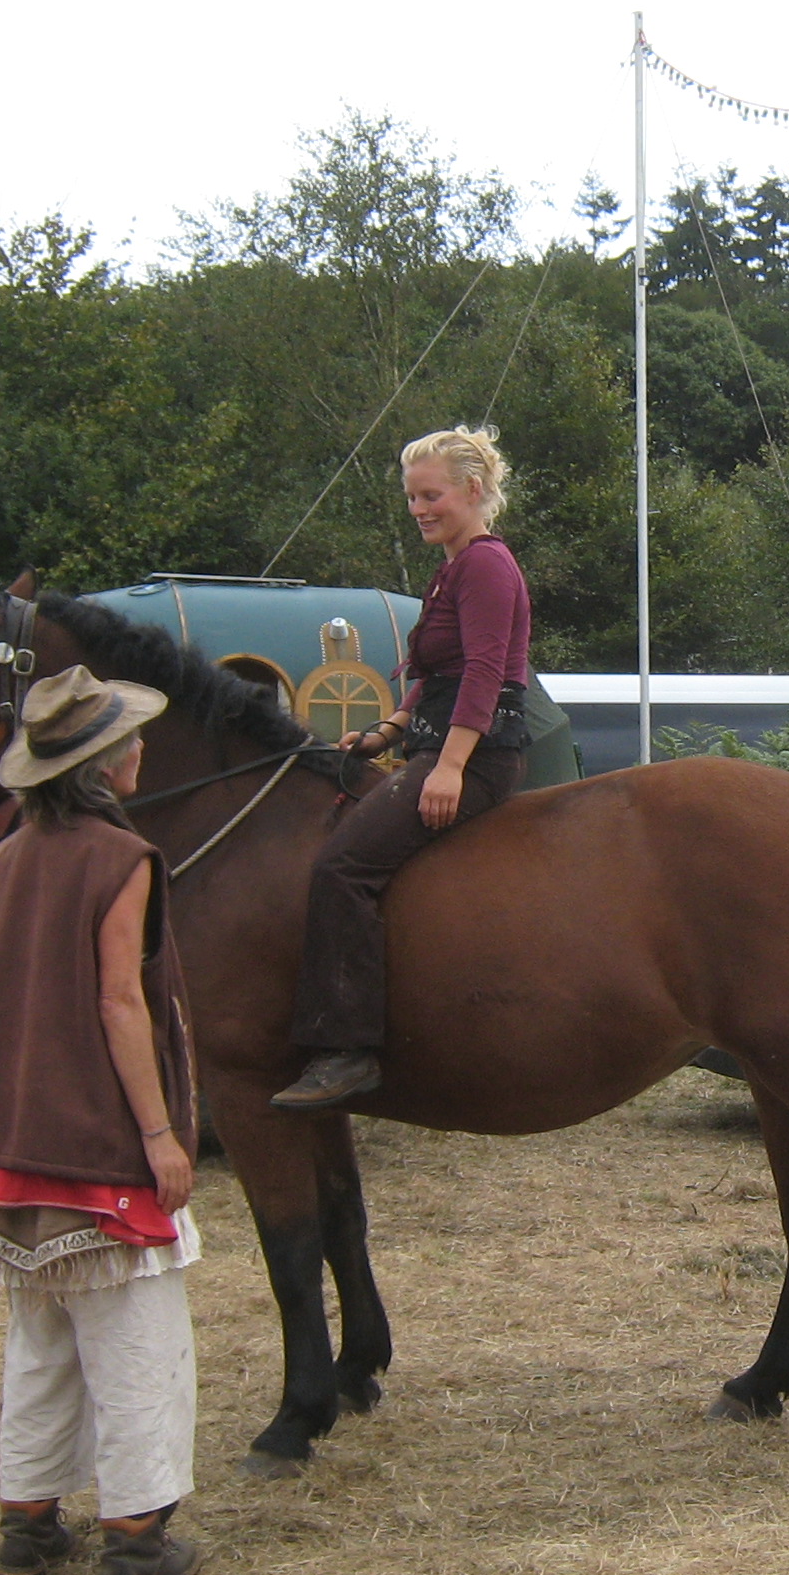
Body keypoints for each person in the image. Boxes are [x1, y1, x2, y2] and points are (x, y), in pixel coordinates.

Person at [0, 665, 205, 1575]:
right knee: (137, 1347)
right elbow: (119, 1000)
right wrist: (159, 1134)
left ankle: (28, 1526)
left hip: (16, 1142)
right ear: (101, 763)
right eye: (127, 739)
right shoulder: (121, 858)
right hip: (96, 1143)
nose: (141, 748)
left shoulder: (6, 858)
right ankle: (135, 1541)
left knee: (41, 1346)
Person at [276, 424, 535, 1111]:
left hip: (477, 756)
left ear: (472, 491)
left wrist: (450, 768)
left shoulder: (486, 565)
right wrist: (388, 729)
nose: (418, 509)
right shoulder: (452, 568)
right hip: (439, 743)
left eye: (431, 496)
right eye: (412, 497)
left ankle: (348, 1050)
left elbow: (484, 672)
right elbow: (438, 673)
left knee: (341, 866)